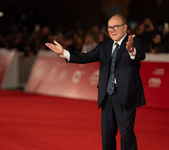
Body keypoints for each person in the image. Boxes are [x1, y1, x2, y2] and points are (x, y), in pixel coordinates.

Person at [45, 14, 146, 150]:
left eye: (116, 26)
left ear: (125, 27)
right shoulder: (104, 45)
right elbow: (86, 57)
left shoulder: (134, 42)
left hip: (126, 95)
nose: (112, 30)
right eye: (109, 27)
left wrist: (131, 50)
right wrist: (64, 52)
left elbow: (140, 56)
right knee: (107, 135)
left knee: (126, 135)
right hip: (107, 96)